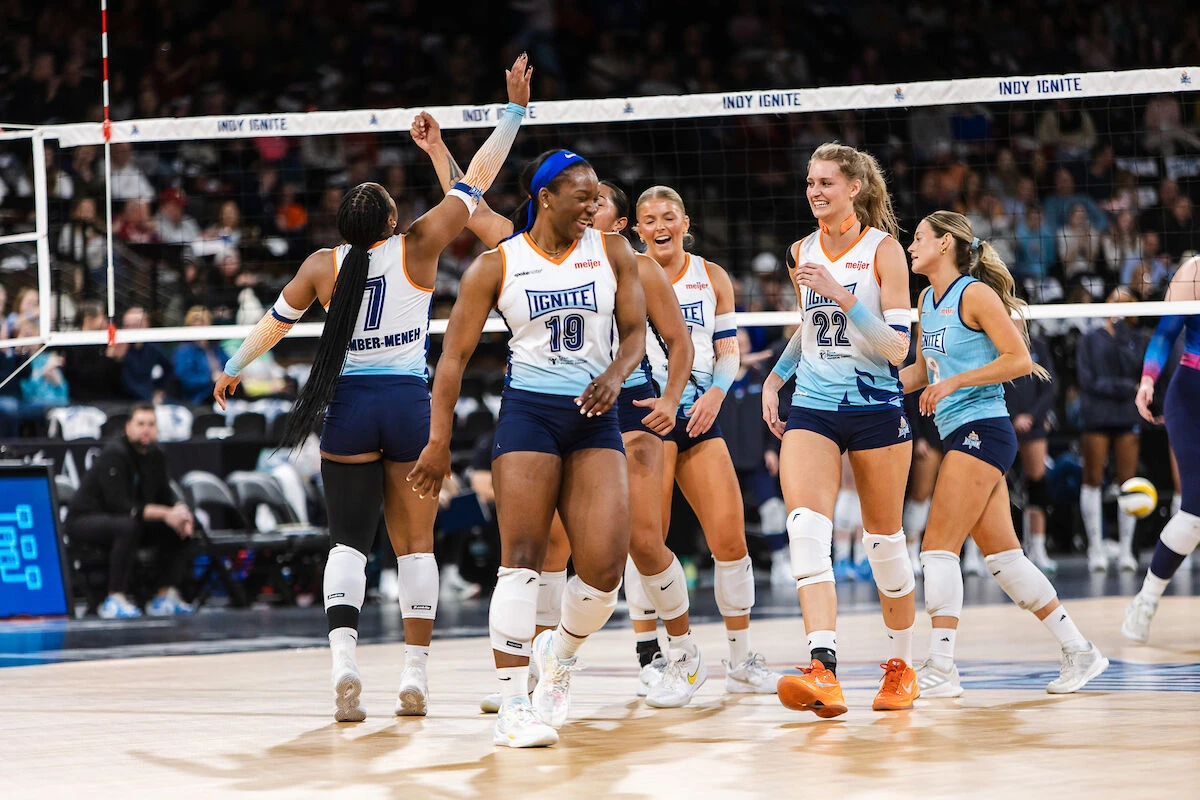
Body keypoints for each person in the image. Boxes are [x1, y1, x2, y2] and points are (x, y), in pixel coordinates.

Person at [214, 55, 532, 723]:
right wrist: (512, 111)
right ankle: (414, 675)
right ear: (390, 222)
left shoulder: (320, 266)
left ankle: (344, 664)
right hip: (408, 407)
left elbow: (273, 323)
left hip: (350, 409)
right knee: (416, 546)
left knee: (347, 545)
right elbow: (477, 180)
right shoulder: (418, 245)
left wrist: (233, 366)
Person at [410, 115, 705, 709]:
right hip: (532, 413)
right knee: (527, 555)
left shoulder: (617, 253)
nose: (594, 208)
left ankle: (573, 652)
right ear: (546, 198)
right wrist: (438, 441)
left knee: (612, 565)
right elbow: (452, 358)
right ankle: (516, 696)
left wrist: (626, 380)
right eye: (584, 198)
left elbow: (644, 337)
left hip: (606, 412)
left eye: (599, 199)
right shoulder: (501, 259)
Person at [901, 211, 1108, 698]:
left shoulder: (974, 294)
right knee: (1005, 561)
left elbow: (1019, 360)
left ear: (945, 244)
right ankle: (1080, 650)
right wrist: (869, 389)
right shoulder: (926, 300)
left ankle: (941, 666)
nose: (910, 246)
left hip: (984, 428)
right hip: (957, 431)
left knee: (936, 548)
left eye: (919, 238)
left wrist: (954, 382)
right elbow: (921, 371)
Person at [763, 142, 918, 718]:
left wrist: (841, 293)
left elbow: (897, 350)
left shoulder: (885, 250)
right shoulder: (800, 250)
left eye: (826, 182)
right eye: (810, 182)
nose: (815, 192)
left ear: (855, 187)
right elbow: (810, 328)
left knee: (884, 544)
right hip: (814, 405)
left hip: (876, 406)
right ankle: (822, 668)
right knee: (805, 529)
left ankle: (901, 667)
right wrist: (775, 378)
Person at [632, 184, 781, 701]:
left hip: (698, 413)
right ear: (637, 229)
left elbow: (727, 350)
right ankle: (663, 657)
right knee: (647, 543)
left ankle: (740, 660)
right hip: (645, 414)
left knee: (730, 539)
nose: (660, 226)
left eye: (668, 216)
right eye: (650, 219)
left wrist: (717, 393)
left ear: (685, 222)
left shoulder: (712, 276)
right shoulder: (624, 273)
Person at [1125, 256, 1200, 642]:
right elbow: (1165, 334)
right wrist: (1147, 380)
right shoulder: (1194, 271)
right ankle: (1146, 600)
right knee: (1195, 511)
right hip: (1191, 395)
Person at [64, 403, 195, 618]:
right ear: (128, 427)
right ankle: (114, 597)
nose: (146, 429)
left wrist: (181, 511)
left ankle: (164, 595)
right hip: (85, 520)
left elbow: (165, 495)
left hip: (124, 519)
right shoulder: (115, 453)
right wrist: (166, 513)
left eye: (151, 424)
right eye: (140, 424)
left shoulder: (156, 455)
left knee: (178, 525)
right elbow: (118, 505)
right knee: (128, 525)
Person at [1076, 288, 1149, 572]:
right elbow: (1088, 380)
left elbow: (1137, 369)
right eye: (1115, 300)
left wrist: (1120, 333)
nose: (1119, 305)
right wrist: (1125, 387)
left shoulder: (1135, 339)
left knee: (1127, 482)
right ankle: (1096, 548)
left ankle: (1126, 550)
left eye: (1125, 302)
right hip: (1097, 414)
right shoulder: (1090, 338)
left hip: (1126, 414)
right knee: (1092, 479)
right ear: (1106, 303)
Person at [1006, 332, 1058, 572]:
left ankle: (1038, 548)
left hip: (1033, 424)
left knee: (1038, 485)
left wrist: (1032, 416)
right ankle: (985, 550)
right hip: (1002, 418)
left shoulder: (1038, 345)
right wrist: (1012, 415)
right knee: (992, 485)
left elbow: (1050, 386)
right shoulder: (993, 339)